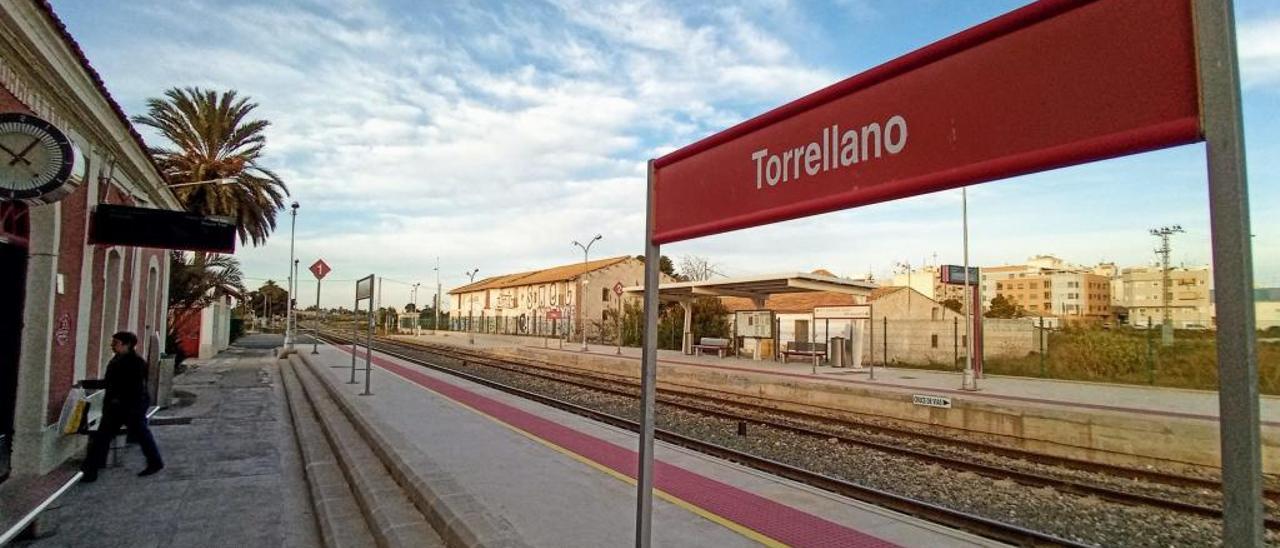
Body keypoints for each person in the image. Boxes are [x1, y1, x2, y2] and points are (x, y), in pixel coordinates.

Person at [77, 331, 163, 482]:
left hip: (129, 406)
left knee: (139, 434)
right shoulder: (118, 359)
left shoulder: (135, 363)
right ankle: (91, 469)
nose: (112, 345)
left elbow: (130, 387)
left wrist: (119, 400)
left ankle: (155, 462)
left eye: (116, 343)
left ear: (127, 345)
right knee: (102, 437)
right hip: (117, 407)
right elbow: (109, 382)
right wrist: (86, 384)